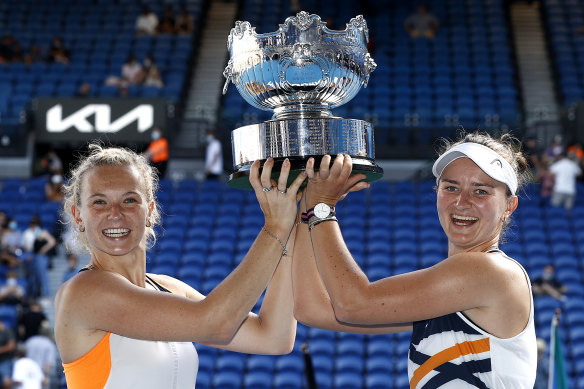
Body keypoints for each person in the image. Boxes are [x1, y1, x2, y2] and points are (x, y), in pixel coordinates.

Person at [292, 132, 537, 387]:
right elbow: (312, 310)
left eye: (480, 191)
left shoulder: (490, 271)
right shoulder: (451, 296)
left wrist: (321, 207)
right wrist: (306, 205)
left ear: (509, 207)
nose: (462, 202)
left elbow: (352, 304)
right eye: (451, 187)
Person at [54, 144, 306, 388]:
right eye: (99, 202)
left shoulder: (169, 288)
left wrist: (291, 221)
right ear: (78, 216)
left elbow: (274, 337)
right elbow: (218, 323)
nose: (115, 213)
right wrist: (275, 227)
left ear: (150, 211)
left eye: (129, 200)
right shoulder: (83, 292)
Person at [20, 216, 56, 298]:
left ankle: (48, 295)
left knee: (42, 276)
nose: (33, 225)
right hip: (30, 255)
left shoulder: (41, 232)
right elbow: (24, 246)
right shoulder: (27, 232)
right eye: (32, 223)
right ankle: (34, 296)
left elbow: (52, 241)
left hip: (39, 256)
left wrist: (43, 250)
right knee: (33, 277)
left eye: (35, 223)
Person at [24, 323, 57, 389]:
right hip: (41, 375)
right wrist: (45, 377)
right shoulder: (49, 344)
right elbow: (48, 364)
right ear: (49, 333)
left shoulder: (30, 340)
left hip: (27, 374)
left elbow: (23, 358)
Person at [0, 319, 15, 389]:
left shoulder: (7, 331)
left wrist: (1, 350)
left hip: (5, 361)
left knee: (6, 382)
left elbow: (11, 346)